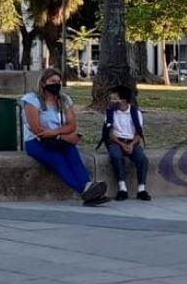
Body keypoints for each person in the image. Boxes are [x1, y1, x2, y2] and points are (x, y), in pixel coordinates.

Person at [20, 68, 109, 206]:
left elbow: (71, 125)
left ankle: (88, 187)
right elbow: (38, 130)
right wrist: (61, 135)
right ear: (43, 83)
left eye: (58, 81)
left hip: (58, 138)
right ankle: (85, 192)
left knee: (73, 155)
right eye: (52, 81)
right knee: (59, 160)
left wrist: (56, 134)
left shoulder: (64, 100)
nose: (56, 84)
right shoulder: (31, 100)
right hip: (36, 141)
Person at [103, 85, 151, 201]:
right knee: (116, 156)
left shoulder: (136, 113)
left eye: (114, 98)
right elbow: (110, 134)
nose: (112, 101)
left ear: (123, 100)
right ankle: (122, 188)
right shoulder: (110, 113)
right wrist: (122, 144)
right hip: (116, 141)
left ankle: (141, 189)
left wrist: (131, 144)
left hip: (132, 142)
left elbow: (139, 133)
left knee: (142, 159)